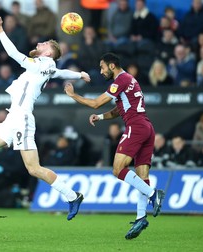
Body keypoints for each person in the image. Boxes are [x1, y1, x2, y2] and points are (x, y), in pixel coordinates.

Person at [0, 13, 90, 221]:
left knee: (33, 169)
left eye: (44, 43)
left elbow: (14, 53)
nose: (39, 43)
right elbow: (60, 72)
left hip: (22, 119)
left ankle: (72, 196)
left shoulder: (44, 64)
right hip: (13, 118)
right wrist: (79, 74)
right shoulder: (46, 66)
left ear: (49, 51)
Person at [64, 52, 165, 239]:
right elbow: (120, 109)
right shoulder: (130, 80)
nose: (101, 71)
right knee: (143, 177)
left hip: (136, 126)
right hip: (147, 128)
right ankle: (141, 217)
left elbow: (95, 103)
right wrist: (101, 117)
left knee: (118, 169)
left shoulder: (120, 80)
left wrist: (73, 95)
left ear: (112, 66)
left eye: (102, 67)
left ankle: (153, 194)